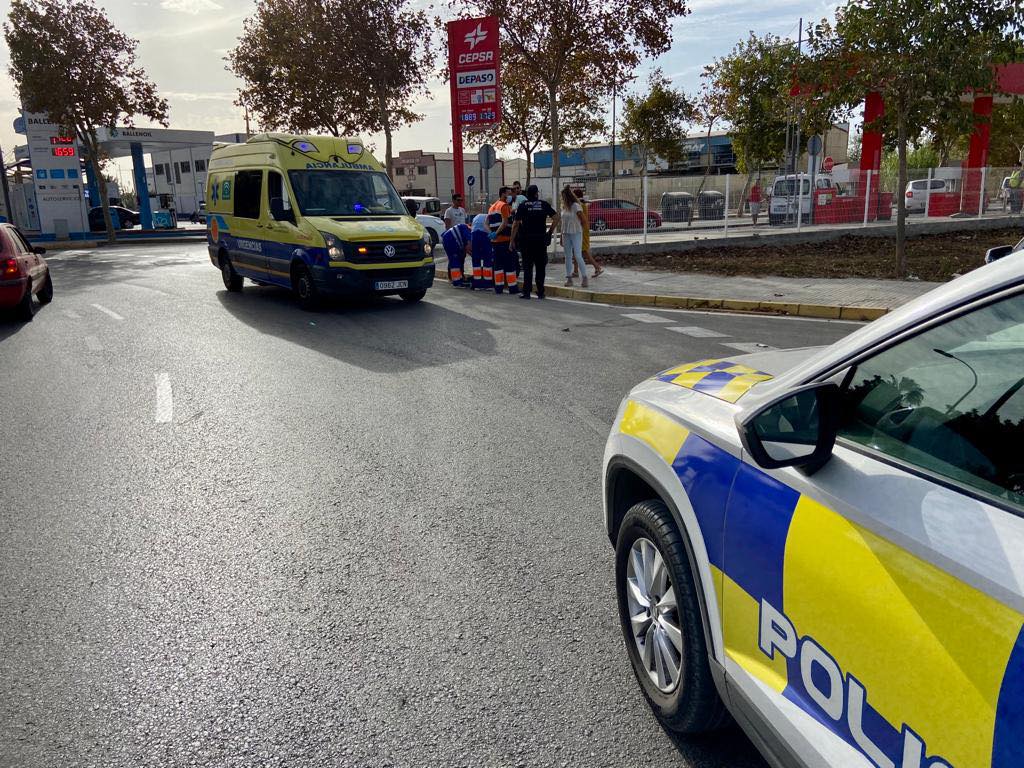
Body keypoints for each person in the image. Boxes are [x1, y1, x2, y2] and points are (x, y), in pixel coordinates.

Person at [512, 185, 559, 300]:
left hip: (526, 241)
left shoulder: (523, 206)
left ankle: (527, 292)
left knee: (528, 267)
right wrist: (549, 232)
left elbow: (516, 224)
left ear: (527, 194)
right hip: (540, 240)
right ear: (537, 193)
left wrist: (512, 239)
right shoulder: (543, 204)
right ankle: (541, 292)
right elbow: (557, 217)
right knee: (540, 267)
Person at [488, 187, 518, 295]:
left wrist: (491, 233)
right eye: (508, 193)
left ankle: (499, 287)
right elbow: (505, 222)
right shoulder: (504, 206)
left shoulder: (492, 207)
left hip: (495, 242)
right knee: (509, 265)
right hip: (505, 240)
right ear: (503, 194)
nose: (510, 196)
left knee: (498, 266)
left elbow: (486, 223)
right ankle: (513, 288)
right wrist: (497, 233)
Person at [559, 185, 588, 287]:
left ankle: (584, 277)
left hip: (576, 233)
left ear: (567, 196)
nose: (562, 199)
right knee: (567, 257)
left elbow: (584, 221)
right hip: (566, 233)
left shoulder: (576, 206)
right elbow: (563, 223)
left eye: (562, 197)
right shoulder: (563, 207)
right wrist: (561, 237)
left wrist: (581, 232)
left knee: (578, 255)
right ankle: (569, 279)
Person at [571, 188, 604, 278]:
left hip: (581, 231)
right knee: (577, 251)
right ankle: (575, 271)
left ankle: (597, 267)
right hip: (581, 230)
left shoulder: (579, 205)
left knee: (584, 251)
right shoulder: (581, 204)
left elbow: (581, 219)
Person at [441, 219, 472, 287]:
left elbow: (466, 248)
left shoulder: (464, 228)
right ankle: (457, 281)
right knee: (455, 260)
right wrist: (473, 255)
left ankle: (458, 277)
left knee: (459, 257)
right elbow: (469, 245)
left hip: (449, 240)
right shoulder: (468, 229)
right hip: (451, 241)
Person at [470, 213, 493, 291]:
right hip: (484, 235)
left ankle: (477, 283)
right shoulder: (490, 216)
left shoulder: (477, 216)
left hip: (474, 235)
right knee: (487, 259)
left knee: (476, 260)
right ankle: (487, 283)